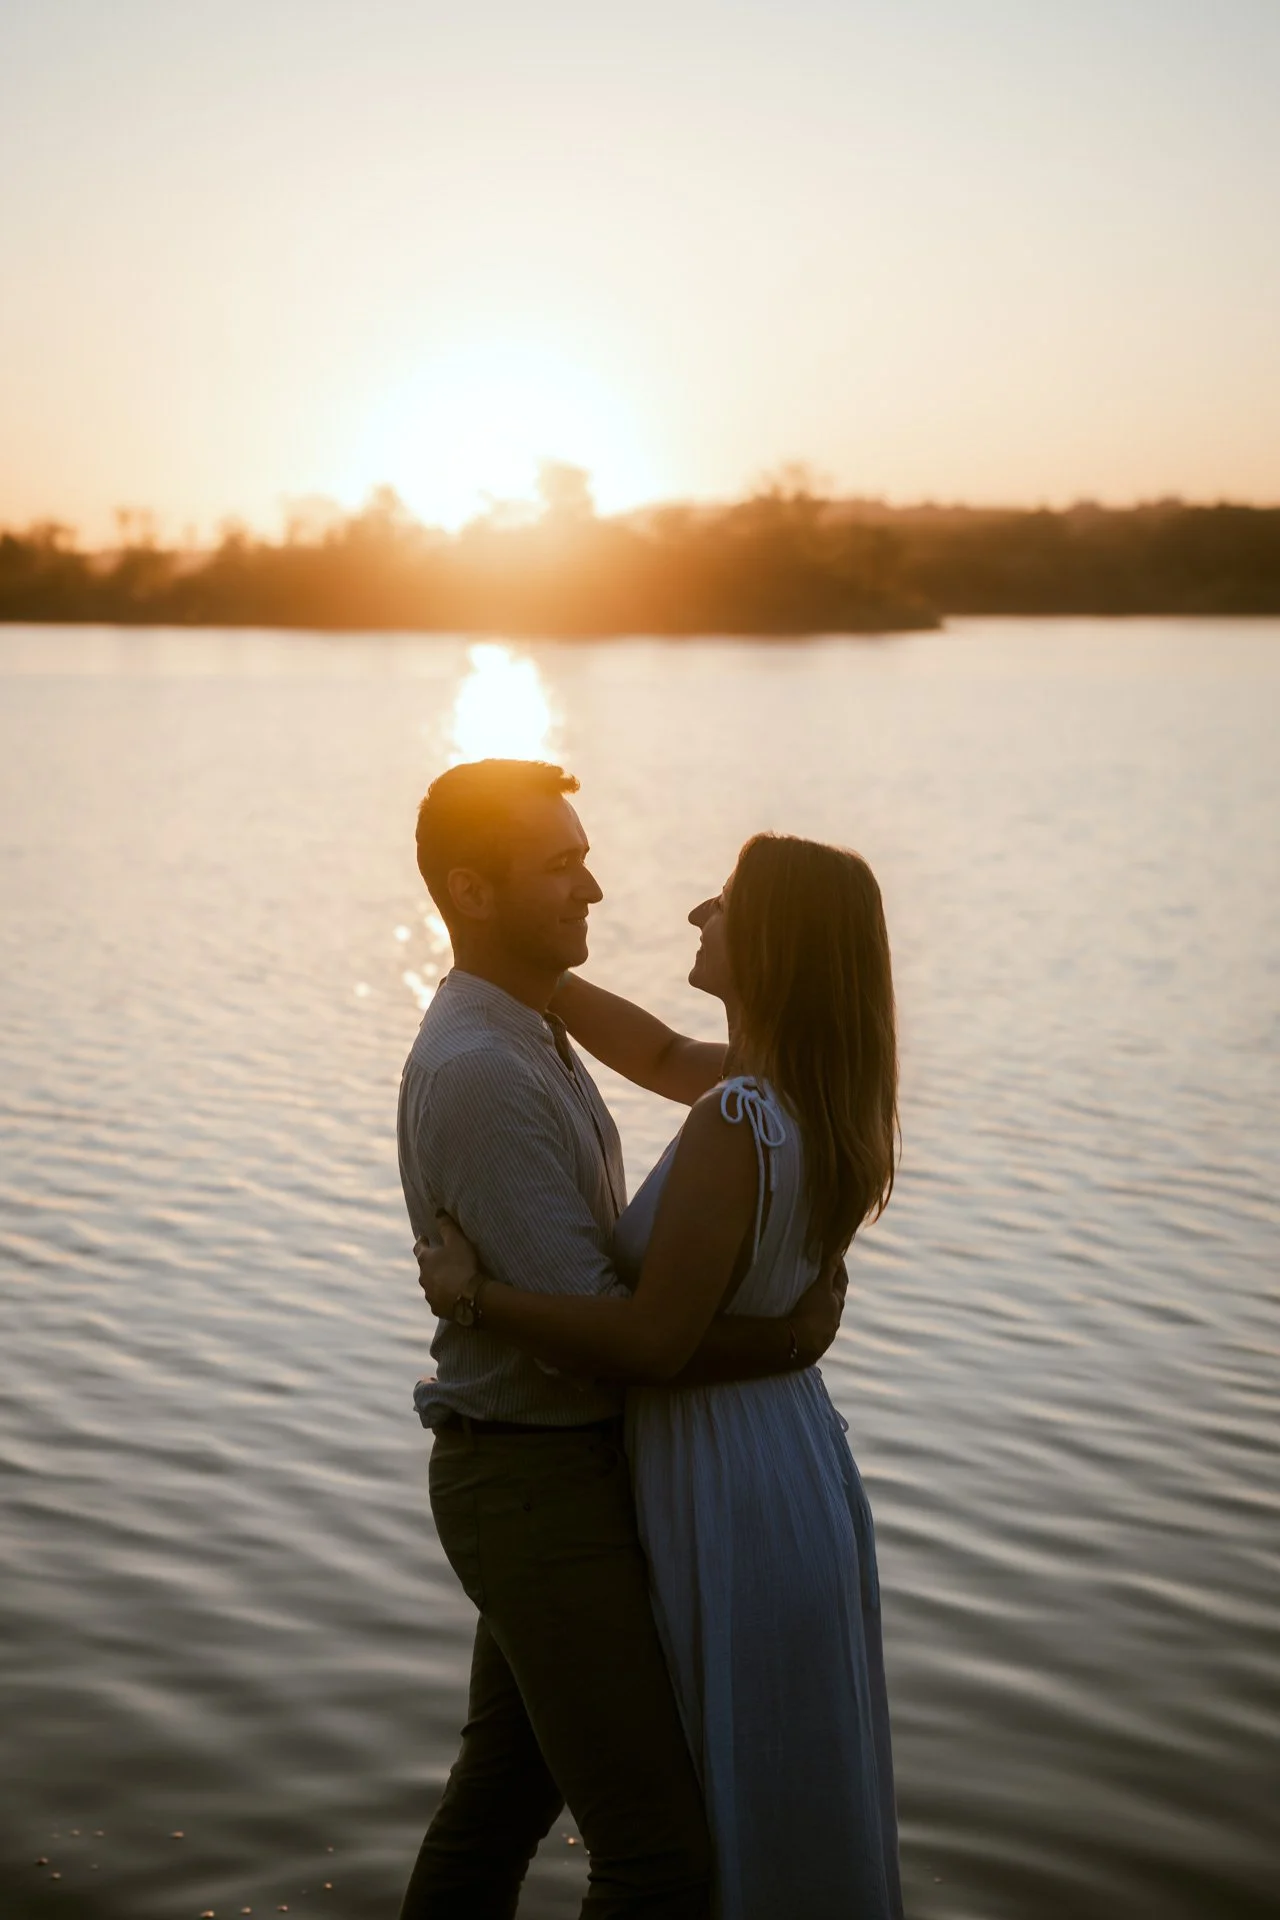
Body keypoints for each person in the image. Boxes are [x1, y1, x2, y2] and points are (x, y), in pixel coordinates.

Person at [417, 824, 904, 1920]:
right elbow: (651, 1055)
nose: (697, 915)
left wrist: (473, 1295)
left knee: (684, 1821)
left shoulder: (738, 1118)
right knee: (753, 1770)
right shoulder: (808, 1096)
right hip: (791, 1458)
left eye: (723, 904)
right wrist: (527, 977)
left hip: (719, 1471)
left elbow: (649, 1344)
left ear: (772, 945)